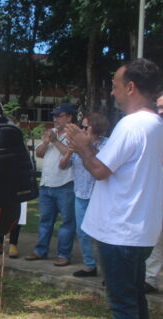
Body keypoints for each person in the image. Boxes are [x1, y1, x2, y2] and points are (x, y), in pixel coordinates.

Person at [66, 58, 163, 319]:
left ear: (131, 87)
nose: (112, 93)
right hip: (140, 227)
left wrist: (82, 146)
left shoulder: (132, 124)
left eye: (116, 86)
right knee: (134, 298)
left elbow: (99, 171)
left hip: (121, 229)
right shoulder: (157, 124)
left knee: (123, 301)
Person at [25, 103, 76, 267]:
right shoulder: (52, 132)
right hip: (47, 184)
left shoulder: (74, 134)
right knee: (45, 221)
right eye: (53, 116)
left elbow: (70, 155)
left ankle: (63, 254)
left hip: (65, 184)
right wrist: (47, 142)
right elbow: (39, 154)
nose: (55, 119)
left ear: (69, 117)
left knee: (67, 222)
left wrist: (55, 142)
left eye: (59, 116)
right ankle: (40, 250)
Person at [59, 113, 109, 277]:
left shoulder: (107, 144)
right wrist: (69, 151)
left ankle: (109, 271)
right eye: (82, 126)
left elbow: (102, 161)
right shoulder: (77, 145)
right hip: (80, 194)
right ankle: (89, 265)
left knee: (103, 234)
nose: (82, 130)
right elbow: (63, 166)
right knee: (82, 232)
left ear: (96, 127)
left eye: (86, 127)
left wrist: (86, 147)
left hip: (100, 196)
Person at [144, 89, 163, 293]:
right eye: (158, 107)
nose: (160, 111)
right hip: (158, 196)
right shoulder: (158, 127)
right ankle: (150, 279)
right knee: (154, 240)